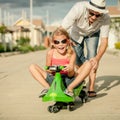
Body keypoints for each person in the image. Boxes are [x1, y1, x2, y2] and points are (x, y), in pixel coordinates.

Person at [61, 0, 111, 97]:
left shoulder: (106, 18)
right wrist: (66, 39)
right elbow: (62, 28)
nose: (93, 17)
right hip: (76, 33)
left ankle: (91, 88)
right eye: (92, 13)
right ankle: (81, 80)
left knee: (92, 58)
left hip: (93, 33)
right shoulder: (78, 8)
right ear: (88, 8)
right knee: (77, 60)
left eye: (98, 15)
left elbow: (104, 41)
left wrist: (97, 58)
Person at [29, 27, 92, 97]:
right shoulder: (50, 53)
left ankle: (70, 88)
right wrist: (53, 69)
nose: (60, 44)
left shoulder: (71, 53)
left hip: (68, 80)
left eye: (63, 41)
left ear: (68, 41)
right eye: (57, 42)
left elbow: (71, 74)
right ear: (53, 43)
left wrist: (69, 69)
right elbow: (47, 70)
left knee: (88, 64)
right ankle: (47, 88)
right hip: (54, 80)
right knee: (32, 66)